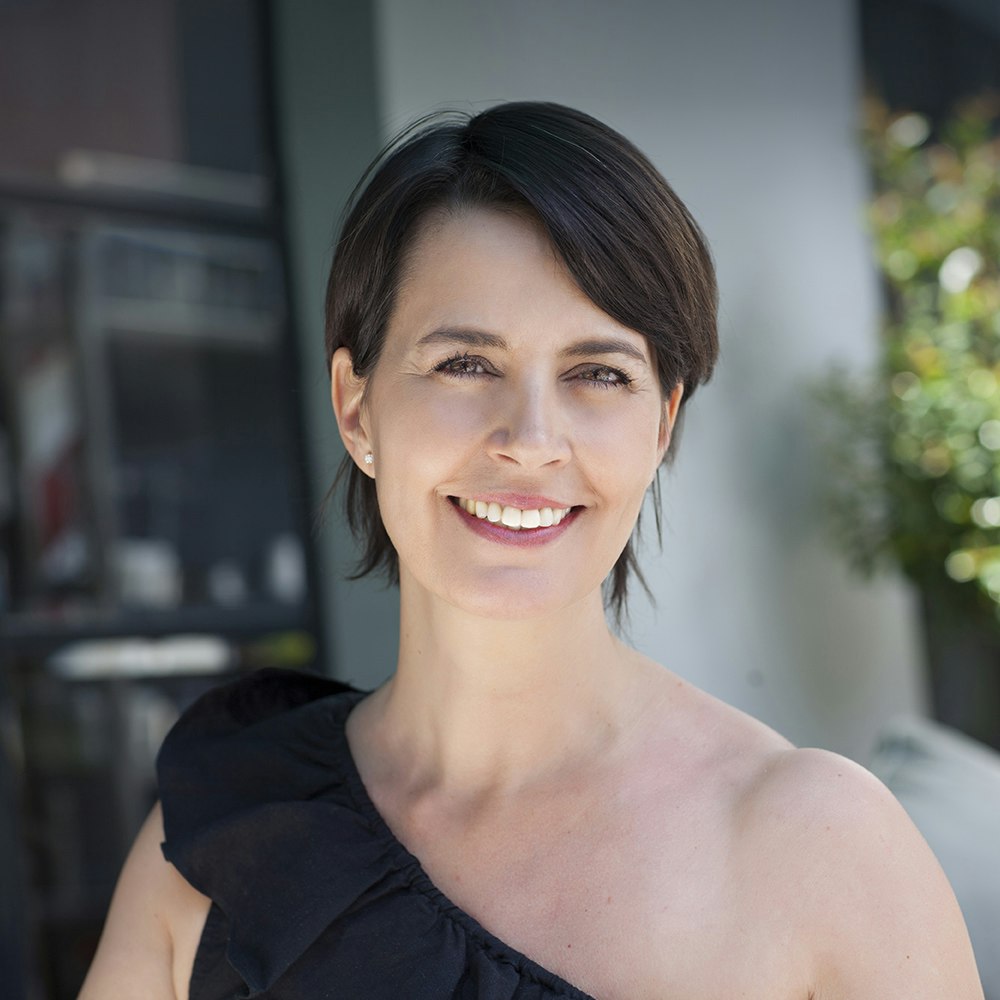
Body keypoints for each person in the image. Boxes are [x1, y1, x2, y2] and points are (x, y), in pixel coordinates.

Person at [80, 101, 984, 1000]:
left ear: (662, 424)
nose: (531, 438)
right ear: (357, 410)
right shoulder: (225, 844)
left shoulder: (820, 846)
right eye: (465, 365)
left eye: (599, 374)